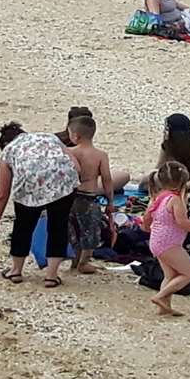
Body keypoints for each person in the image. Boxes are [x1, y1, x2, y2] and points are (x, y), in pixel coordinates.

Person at [0, 122, 80, 287]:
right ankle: (51, 276)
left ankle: (15, 271)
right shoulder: (49, 137)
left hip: (29, 187)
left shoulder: (8, 151)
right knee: (58, 227)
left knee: (23, 227)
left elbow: (1, 194)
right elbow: (76, 165)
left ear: (4, 143)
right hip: (63, 183)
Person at [142, 160, 190, 316]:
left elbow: (147, 216)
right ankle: (159, 297)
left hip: (157, 240)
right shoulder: (175, 200)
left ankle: (164, 306)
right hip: (170, 243)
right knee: (189, 273)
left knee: (170, 275)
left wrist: (146, 227)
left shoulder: (157, 197)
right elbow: (182, 222)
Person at [63, 115, 113, 273]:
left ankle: (75, 260)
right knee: (90, 231)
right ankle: (84, 262)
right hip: (89, 198)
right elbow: (107, 179)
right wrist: (110, 202)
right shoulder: (100, 155)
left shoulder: (70, 152)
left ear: (75, 136)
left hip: (70, 197)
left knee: (72, 229)